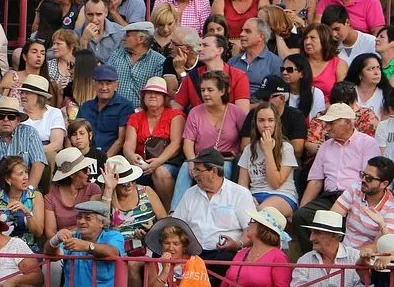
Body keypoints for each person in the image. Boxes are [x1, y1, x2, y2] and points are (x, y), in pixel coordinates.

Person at [295, 103, 382, 255]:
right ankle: (314, 259)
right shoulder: (325, 146)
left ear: (348, 122)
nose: (326, 128)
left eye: (331, 123)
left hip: (356, 197)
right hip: (329, 197)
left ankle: (341, 258)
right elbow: (315, 181)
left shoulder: (367, 143)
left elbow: (369, 179)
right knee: (301, 216)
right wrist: (302, 207)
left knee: (344, 222)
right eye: (326, 123)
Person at [99, 156, 166, 287]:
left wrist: (150, 231)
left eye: (132, 180)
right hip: (116, 249)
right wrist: (108, 191)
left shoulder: (146, 191)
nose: (129, 185)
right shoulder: (106, 198)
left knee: (132, 265)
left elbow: (164, 221)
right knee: (124, 262)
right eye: (123, 182)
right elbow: (101, 225)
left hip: (147, 247)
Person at [171, 71, 247, 209]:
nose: (205, 94)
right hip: (200, 158)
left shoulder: (237, 112)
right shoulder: (195, 112)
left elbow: (246, 140)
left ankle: (218, 209)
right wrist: (191, 161)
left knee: (222, 169)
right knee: (185, 168)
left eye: (210, 90)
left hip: (225, 160)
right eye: (203, 90)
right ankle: (175, 212)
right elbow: (188, 142)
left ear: (222, 91)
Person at [174, 148, 255, 262]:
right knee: (160, 254)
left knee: (227, 258)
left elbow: (250, 230)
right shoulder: (190, 193)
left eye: (198, 170)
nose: (194, 174)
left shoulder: (240, 194)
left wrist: (237, 244)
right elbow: (177, 224)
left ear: (213, 171)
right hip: (192, 254)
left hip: (224, 253)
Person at [123, 77, 184, 209]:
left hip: (168, 162)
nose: (152, 95)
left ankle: (170, 212)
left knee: (160, 171)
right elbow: (128, 145)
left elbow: (176, 143)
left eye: (157, 93)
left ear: (165, 98)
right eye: (149, 92)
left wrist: (159, 161)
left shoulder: (175, 115)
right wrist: (131, 156)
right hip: (141, 163)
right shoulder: (135, 117)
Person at [237, 102, 298, 218]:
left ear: (276, 123)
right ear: (255, 123)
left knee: (262, 212)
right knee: (240, 212)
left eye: (270, 120)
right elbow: (242, 184)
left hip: (281, 195)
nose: (266, 125)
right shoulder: (248, 149)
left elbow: (275, 183)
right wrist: (249, 199)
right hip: (255, 195)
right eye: (261, 120)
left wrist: (268, 151)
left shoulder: (286, 148)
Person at [171, 34, 251, 112]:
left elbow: (242, 112)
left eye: (205, 45)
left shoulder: (238, 76)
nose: (199, 49)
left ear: (219, 50)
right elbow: (176, 108)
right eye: (200, 45)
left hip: (229, 120)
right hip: (198, 120)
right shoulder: (192, 76)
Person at [329, 156, 394, 250]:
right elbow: (332, 217)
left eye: (369, 178)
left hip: (368, 256)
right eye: (363, 175)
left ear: (384, 184)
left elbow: (380, 246)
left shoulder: (391, 207)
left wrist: (352, 255)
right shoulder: (356, 188)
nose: (363, 180)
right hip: (343, 249)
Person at [238, 75, 307, 158]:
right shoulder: (254, 113)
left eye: (266, 98)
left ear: (282, 98)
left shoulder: (296, 116)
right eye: (260, 98)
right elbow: (244, 147)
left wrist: (269, 149)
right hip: (257, 158)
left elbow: (297, 150)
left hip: (285, 159)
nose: (261, 102)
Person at [305, 82, 379, 158]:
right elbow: (310, 144)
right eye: (337, 104)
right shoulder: (321, 116)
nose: (341, 108)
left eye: (346, 105)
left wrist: (329, 147)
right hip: (323, 158)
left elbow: (365, 145)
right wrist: (326, 148)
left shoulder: (367, 116)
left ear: (353, 102)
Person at [77, 65, 136, 158]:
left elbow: (120, 140)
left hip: (112, 158)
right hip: (85, 157)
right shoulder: (85, 106)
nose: (104, 88)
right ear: (94, 85)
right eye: (100, 83)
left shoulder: (125, 106)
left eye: (108, 84)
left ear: (116, 85)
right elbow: (76, 131)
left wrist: (104, 160)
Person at [43, 148, 101, 240]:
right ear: (72, 174)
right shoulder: (50, 198)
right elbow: (50, 233)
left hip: (89, 240)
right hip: (62, 244)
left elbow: (93, 223)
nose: (89, 172)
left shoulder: (93, 189)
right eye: (85, 169)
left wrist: (68, 234)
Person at [108, 19, 165, 107]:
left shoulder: (159, 61)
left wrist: (139, 111)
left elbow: (156, 93)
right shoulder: (116, 55)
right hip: (114, 109)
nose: (123, 38)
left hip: (142, 113)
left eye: (127, 35)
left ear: (141, 39)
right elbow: (106, 82)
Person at [0, 155, 44, 253]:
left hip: (29, 249)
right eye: (20, 174)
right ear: (8, 179)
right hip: (5, 249)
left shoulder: (35, 196)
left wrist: (26, 212)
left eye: (26, 172)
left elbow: (38, 232)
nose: (26, 177)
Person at [19, 74, 65, 173]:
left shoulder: (54, 113)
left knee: (50, 156)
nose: (23, 96)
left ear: (40, 96)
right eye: (22, 92)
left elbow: (57, 144)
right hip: (19, 153)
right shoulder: (17, 112)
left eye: (27, 93)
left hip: (45, 153)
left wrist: (33, 152)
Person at [228, 17, 282, 98]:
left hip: (261, 105)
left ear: (261, 36)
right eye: (242, 30)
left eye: (248, 31)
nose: (241, 34)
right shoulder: (233, 61)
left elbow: (276, 96)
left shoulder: (275, 63)